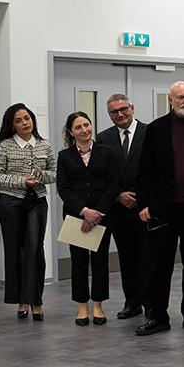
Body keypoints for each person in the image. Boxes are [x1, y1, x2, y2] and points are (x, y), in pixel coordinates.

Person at [135, 81, 184, 336]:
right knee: (160, 265)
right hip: (163, 208)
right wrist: (143, 203)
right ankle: (158, 316)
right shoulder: (156, 129)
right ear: (170, 100)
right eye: (180, 97)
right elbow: (144, 170)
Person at [0, 104, 55, 321]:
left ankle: (36, 300)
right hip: (10, 202)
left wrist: (40, 177)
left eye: (27, 118)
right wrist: (22, 181)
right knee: (15, 251)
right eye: (19, 120)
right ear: (12, 125)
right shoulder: (4, 146)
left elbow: (55, 172)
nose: (25, 123)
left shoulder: (44, 145)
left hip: (37, 201)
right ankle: (21, 300)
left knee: (34, 249)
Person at [56, 111, 120, 327]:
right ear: (70, 132)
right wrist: (84, 211)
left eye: (87, 125)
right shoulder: (64, 156)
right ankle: (82, 305)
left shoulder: (107, 152)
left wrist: (96, 213)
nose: (84, 130)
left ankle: (98, 305)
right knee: (79, 263)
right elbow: (63, 188)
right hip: (76, 217)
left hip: (102, 217)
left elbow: (113, 185)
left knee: (100, 262)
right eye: (78, 127)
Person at [96, 94, 150, 321]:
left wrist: (145, 199)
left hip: (145, 208)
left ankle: (151, 303)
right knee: (126, 258)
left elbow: (156, 169)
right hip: (118, 209)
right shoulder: (103, 138)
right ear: (109, 115)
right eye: (114, 112)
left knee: (148, 258)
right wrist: (118, 195)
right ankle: (132, 302)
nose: (120, 114)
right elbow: (100, 174)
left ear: (132, 108)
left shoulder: (150, 133)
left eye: (123, 109)